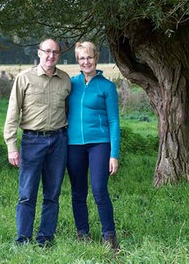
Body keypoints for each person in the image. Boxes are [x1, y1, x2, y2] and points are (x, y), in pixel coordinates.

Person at [3, 38, 71, 247]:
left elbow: (68, 110)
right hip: (33, 141)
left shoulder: (65, 79)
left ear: (59, 55)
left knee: (52, 193)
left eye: (55, 52)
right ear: (39, 52)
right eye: (47, 51)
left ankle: (45, 238)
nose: (51, 56)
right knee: (27, 194)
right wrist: (11, 146)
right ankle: (23, 238)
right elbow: (12, 113)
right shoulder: (24, 79)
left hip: (58, 141)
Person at [66, 41, 121, 251]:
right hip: (74, 145)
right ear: (77, 61)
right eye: (81, 58)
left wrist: (113, 154)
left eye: (89, 57)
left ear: (96, 58)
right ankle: (83, 234)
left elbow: (114, 122)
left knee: (99, 190)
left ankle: (110, 237)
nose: (86, 61)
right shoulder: (71, 84)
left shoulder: (107, 86)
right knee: (78, 192)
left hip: (100, 144)